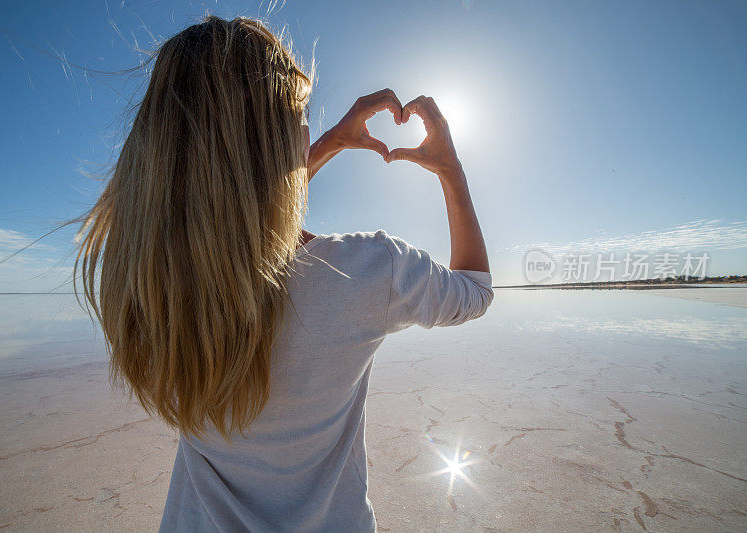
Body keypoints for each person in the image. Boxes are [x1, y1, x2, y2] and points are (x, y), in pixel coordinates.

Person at [73, 14, 492, 533]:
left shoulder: (143, 281)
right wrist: (450, 168)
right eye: (301, 117)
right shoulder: (366, 273)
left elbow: (241, 221)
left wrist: (327, 145)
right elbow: (475, 290)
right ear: (282, 141)